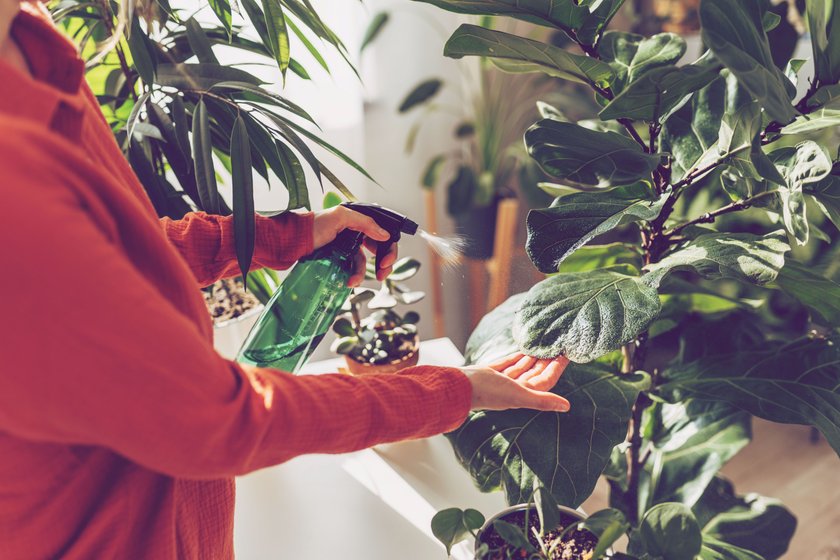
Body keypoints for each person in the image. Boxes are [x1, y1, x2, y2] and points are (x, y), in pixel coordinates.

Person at [0, 3, 571, 559]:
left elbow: (124, 250)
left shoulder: (32, 44)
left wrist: (295, 234)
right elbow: (224, 419)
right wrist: (453, 390)